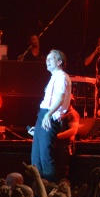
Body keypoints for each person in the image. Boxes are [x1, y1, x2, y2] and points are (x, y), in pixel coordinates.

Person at [31, 49, 72, 182]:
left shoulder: (62, 77)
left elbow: (60, 99)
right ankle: (38, 187)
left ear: (59, 62)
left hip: (50, 115)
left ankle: (50, 188)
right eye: (46, 59)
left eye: (51, 59)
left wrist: (48, 115)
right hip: (43, 114)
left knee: (45, 156)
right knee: (36, 158)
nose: (47, 61)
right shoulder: (54, 77)